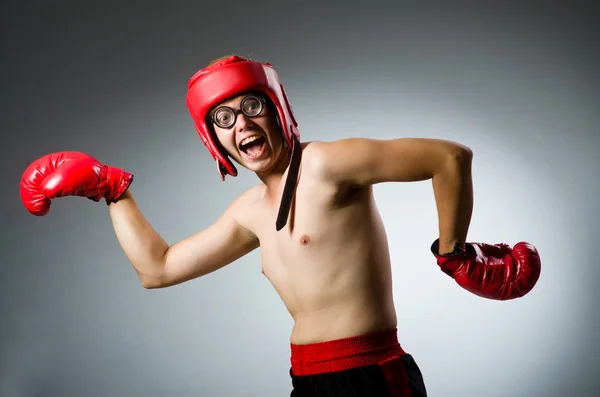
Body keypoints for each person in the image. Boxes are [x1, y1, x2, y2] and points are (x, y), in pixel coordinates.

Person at [20, 55, 541, 396]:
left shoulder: (328, 163)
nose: (242, 124)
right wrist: (115, 193)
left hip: (372, 376)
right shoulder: (249, 211)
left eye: (251, 107)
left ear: (277, 109)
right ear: (214, 139)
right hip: (307, 379)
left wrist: (453, 253)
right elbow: (158, 269)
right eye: (223, 118)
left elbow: (449, 158)